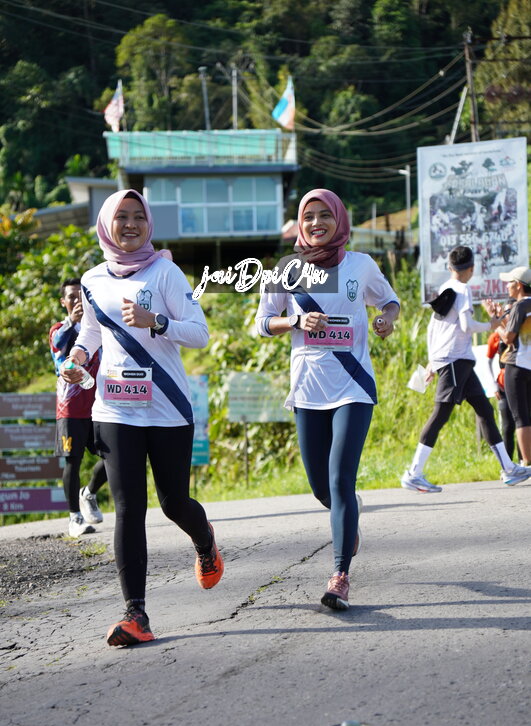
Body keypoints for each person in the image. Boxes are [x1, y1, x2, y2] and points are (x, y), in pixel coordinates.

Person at [60, 189, 223, 647]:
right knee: (128, 508)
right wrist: (76, 357)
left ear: (149, 224)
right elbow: (91, 331)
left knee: (174, 503)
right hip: (114, 407)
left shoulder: (165, 272)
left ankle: (204, 540)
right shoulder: (92, 279)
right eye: (121, 217)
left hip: (167, 408)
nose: (130, 224)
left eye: (138, 217)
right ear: (106, 224)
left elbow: (200, 334)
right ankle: (136, 614)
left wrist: (158, 321)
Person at [256, 188, 400, 611]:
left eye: (325, 215)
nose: (316, 223)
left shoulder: (360, 264)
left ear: (339, 219)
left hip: (353, 386)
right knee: (322, 487)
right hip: (308, 389)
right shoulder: (286, 269)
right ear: (300, 223)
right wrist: (295, 320)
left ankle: (340, 575)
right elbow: (262, 323)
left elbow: (390, 301)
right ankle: (348, 516)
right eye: (309, 216)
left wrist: (386, 319)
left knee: (340, 481)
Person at [401, 246, 531, 492]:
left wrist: (432, 360)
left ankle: (509, 469)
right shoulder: (463, 289)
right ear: (471, 268)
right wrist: (491, 324)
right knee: (440, 414)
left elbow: (433, 328)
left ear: (450, 267)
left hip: (456, 359)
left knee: (485, 410)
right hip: (454, 360)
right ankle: (414, 473)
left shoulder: (446, 288)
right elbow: (466, 325)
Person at [49, 278, 107, 537]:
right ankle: (75, 518)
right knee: (72, 462)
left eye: (80, 296)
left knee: (115, 457)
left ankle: (90, 492)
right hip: (70, 408)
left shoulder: (99, 328)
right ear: (63, 302)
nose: (77, 301)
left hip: (101, 405)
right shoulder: (59, 329)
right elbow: (58, 345)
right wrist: (73, 322)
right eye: (71, 297)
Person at [496, 265, 531, 466]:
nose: (507, 286)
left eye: (510, 282)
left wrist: (496, 322)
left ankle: (526, 462)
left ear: (518, 285)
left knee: (520, 417)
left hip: (517, 364)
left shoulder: (519, 306)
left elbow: (508, 338)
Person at [486, 297, 519, 461]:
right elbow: (488, 361)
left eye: (512, 312)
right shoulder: (495, 336)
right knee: (507, 426)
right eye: (506, 312)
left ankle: (524, 461)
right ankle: (508, 464)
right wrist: (493, 385)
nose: (509, 315)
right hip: (503, 384)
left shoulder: (523, 331)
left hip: (522, 382)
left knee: (523, 423)